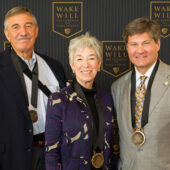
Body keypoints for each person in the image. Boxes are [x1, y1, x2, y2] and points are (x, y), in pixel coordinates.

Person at [0, 6, 67, 170]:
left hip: (53, 154)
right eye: (15, 27)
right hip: (12, 158)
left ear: (36, 31)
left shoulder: (55, 67)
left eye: (28, 25)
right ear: (7, 34)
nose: (23, 32)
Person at [45, 32, 118, 170]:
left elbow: (113, 146)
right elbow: (51, 153)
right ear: (72, 64)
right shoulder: (58, 100)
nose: (86, 64)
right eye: (79, 59)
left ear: (99, 63)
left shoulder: (107, 98)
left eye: (91, 58)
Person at [111, 17, 170, 170]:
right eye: (134, 44)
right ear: (127, 48)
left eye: (146, 43)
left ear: (158, 44)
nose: (140, 50)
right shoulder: (117, 87)